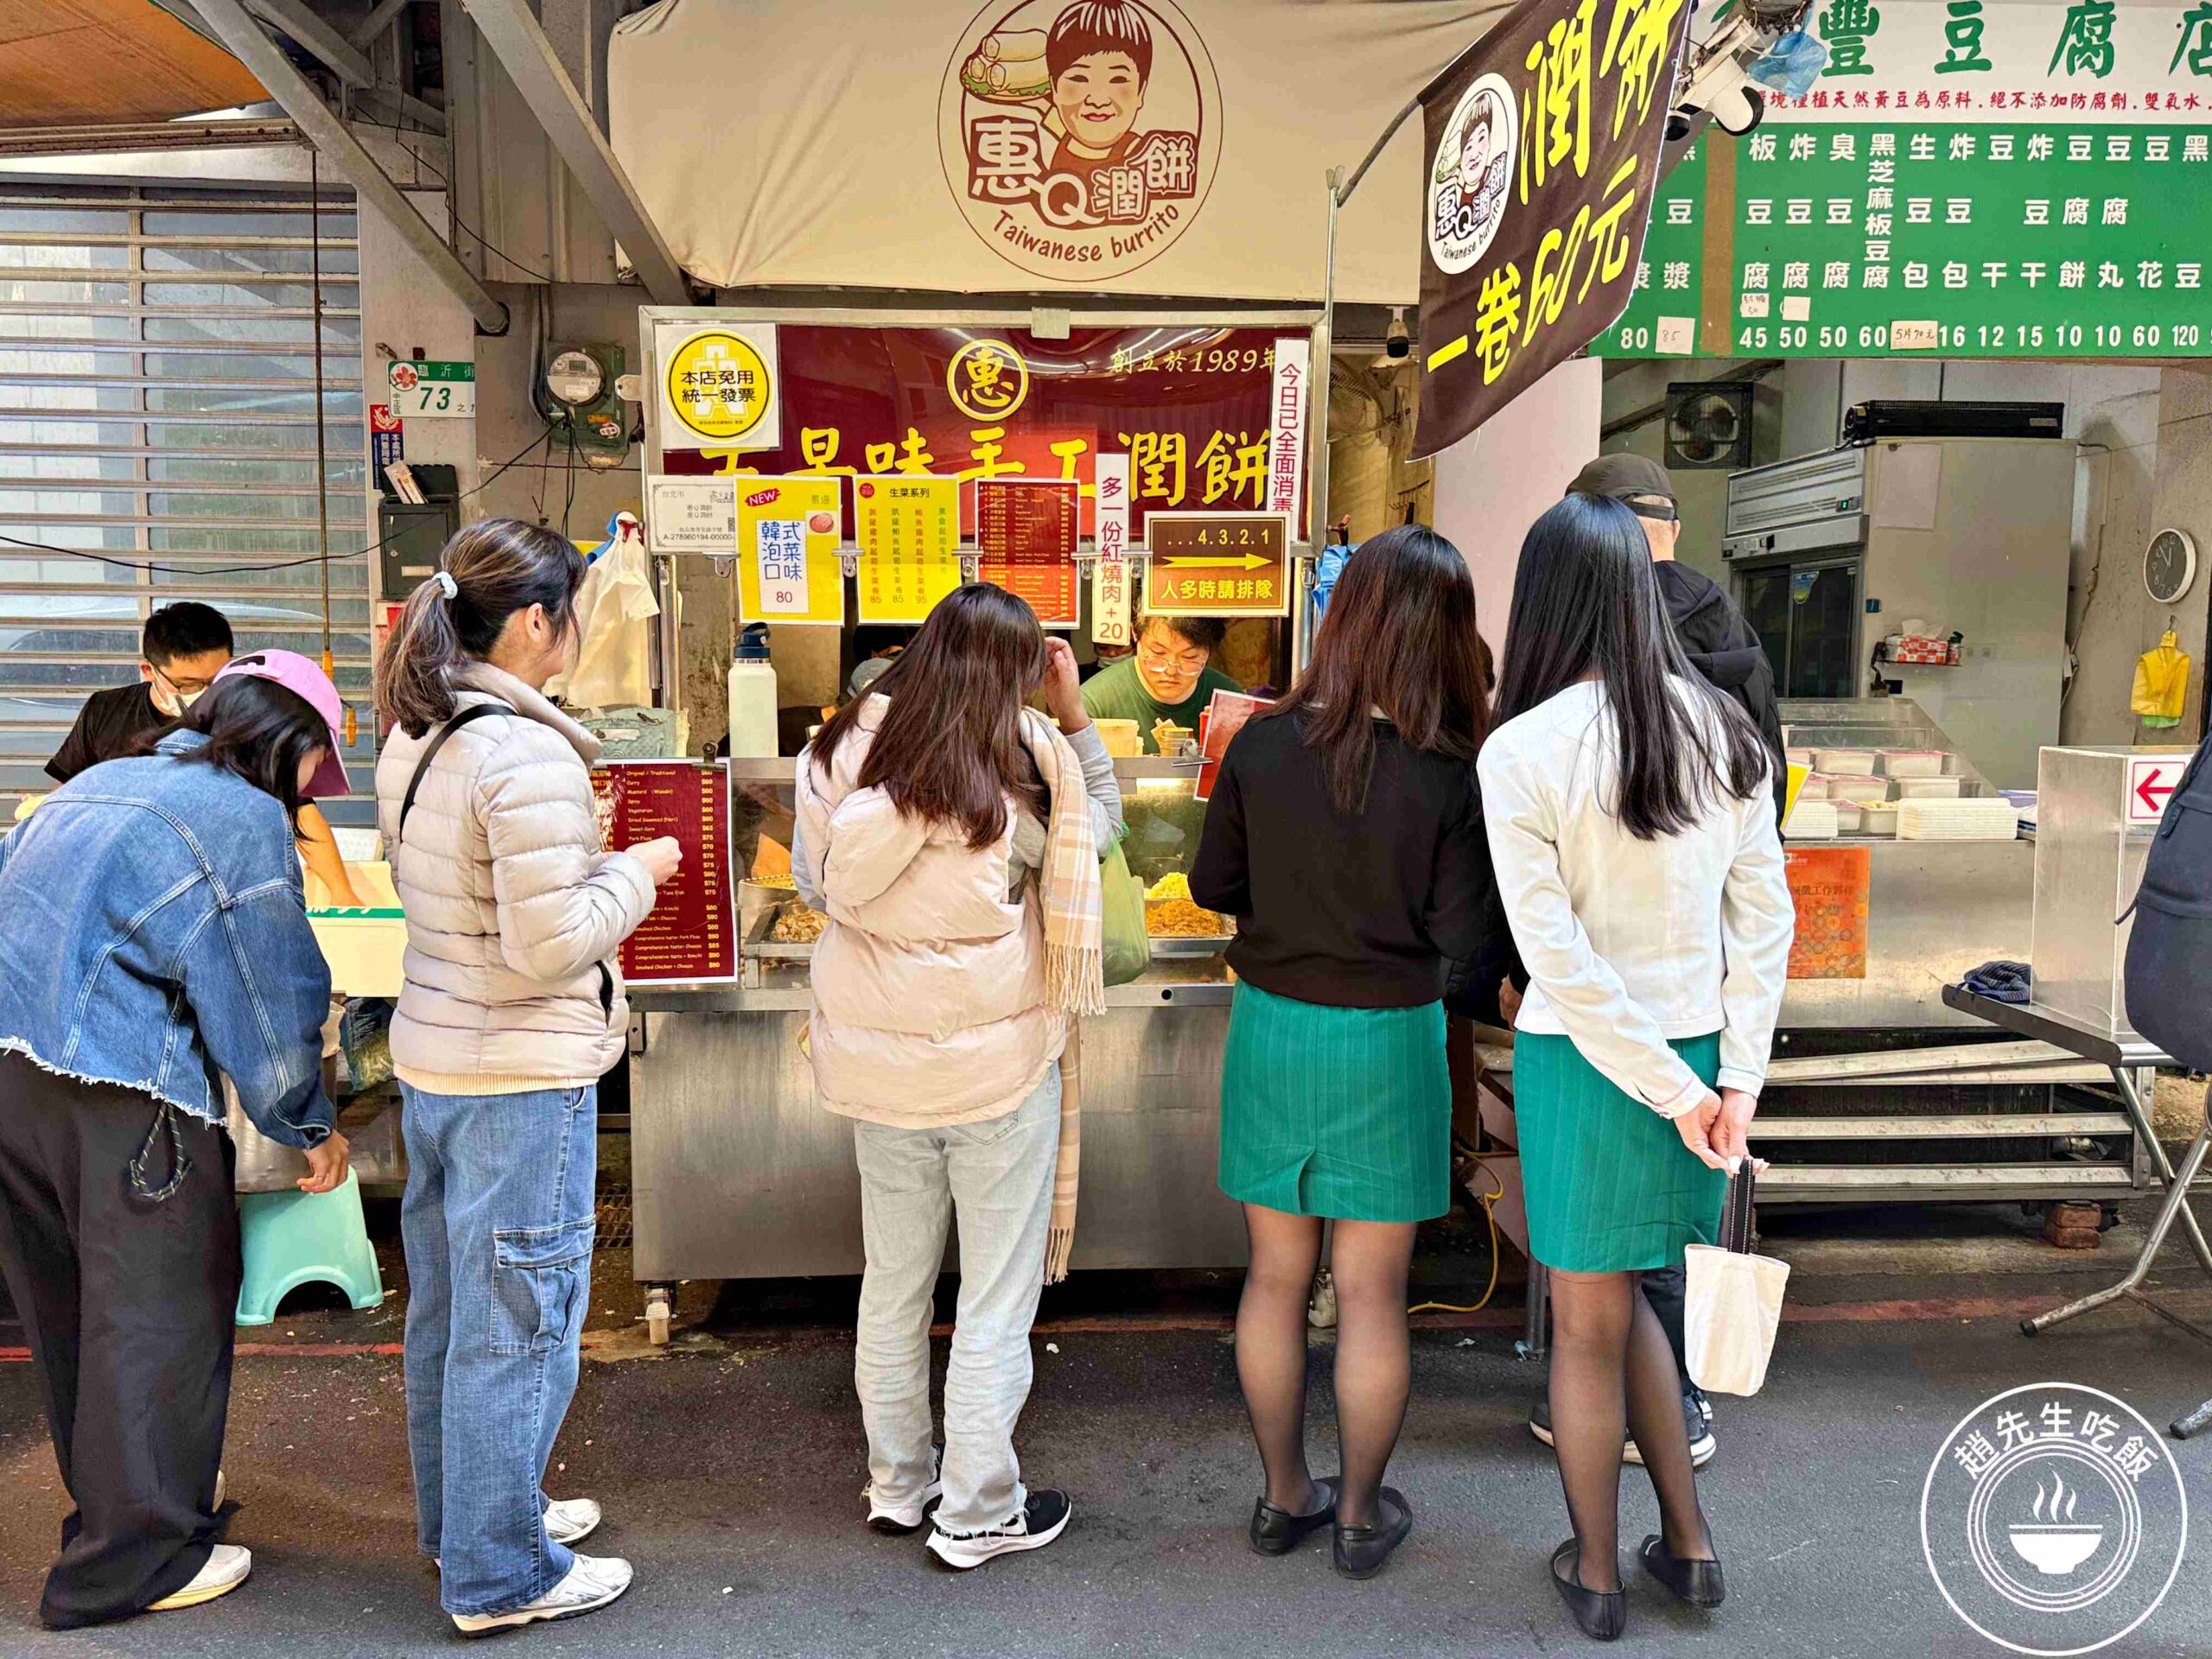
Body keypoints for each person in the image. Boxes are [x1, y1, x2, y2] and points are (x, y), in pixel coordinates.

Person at [1479, 493, 1794, 1641]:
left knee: (1589, 1319)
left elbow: (1552, 956)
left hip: (1589, 1065)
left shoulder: (1521, 749)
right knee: (1646, 1295)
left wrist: (1682, 1088)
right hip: (1701, 1068)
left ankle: (1600, 1573)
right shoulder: (1724, 729)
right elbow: (1764, 923)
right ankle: (1692, 1547)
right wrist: (1732, 1087)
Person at [373, 518, 682, 1635]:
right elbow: (549, 947)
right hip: (517, 1073)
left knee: (457, 1318)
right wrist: (636, 871)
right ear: (540, 622)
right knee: (517, 1327)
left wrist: (582, 866)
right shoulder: (522, 750)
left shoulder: (426, 728)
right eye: (577, 613)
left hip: (442, 1061)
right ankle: (502, 1573)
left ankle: (471, 1522)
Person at [1190, 525, 1516, 1580]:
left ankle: (1284, 1494)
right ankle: (1361, 1513)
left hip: (1275, 1028)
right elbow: (1466, 942)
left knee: (1275, 1278)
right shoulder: (1448, 773)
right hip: (1391, 1040)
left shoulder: (1263, 743)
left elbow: (1210, 885)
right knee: (1371, 1292)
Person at [0, 652, 353, 1627]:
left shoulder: (106, 778)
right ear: (293, 746)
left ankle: (123, 1520)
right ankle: (132, 1566)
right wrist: (304, 1122)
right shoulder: (238, 818)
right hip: (121, 1091)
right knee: (157, 1321)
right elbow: (266, 990)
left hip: (11, 1084)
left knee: (73, 1319)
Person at [794, 583, 1117, 1573]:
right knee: (992, 1297)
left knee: (891, 1282)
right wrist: (1071, 710)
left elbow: (816, 884)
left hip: (878, 1072)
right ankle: (978, 1511)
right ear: (1016, 674)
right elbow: (1096, 832)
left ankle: (900, 1484)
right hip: (999, 1073)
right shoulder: (1018, 766)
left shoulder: (839, 751)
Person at [44, 601, 234, 785]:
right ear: (149, 671)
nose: (208, 693)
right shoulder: (105, 710)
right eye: (188, 683)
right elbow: (67, 787)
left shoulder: (246, 717)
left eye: (219, 678)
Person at [1078, 609, 1242, 751]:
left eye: (1189, 658)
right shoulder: (1094, 704)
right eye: (1158, 653)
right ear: (1135, 634)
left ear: (1208, 652)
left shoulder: (1232, 702)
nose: (1171, 671)